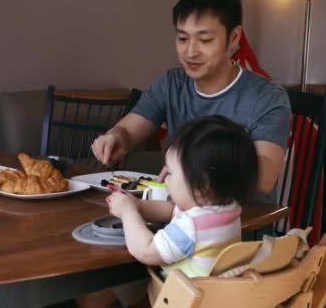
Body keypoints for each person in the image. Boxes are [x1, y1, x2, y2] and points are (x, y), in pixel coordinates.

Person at [91, 0, 291, 205]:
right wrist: (115, 137)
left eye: (205, 40)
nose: (190, 52)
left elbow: (263, 179)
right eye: (183, 38)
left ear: (234, 38)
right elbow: (129, 130)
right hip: (178, 220)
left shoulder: (267, 97)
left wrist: (187, 164)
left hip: (243, 225)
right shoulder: (171, 84)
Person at [107, 115, 258, 278]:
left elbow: (145, 250)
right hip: (217, 294)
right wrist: (138, 205)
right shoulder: (227, 209)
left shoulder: (190, 227)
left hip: (185, 299)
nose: (165, 178)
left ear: (202, 184)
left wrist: (128, 213)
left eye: (170, 173)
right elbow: (174, 210)